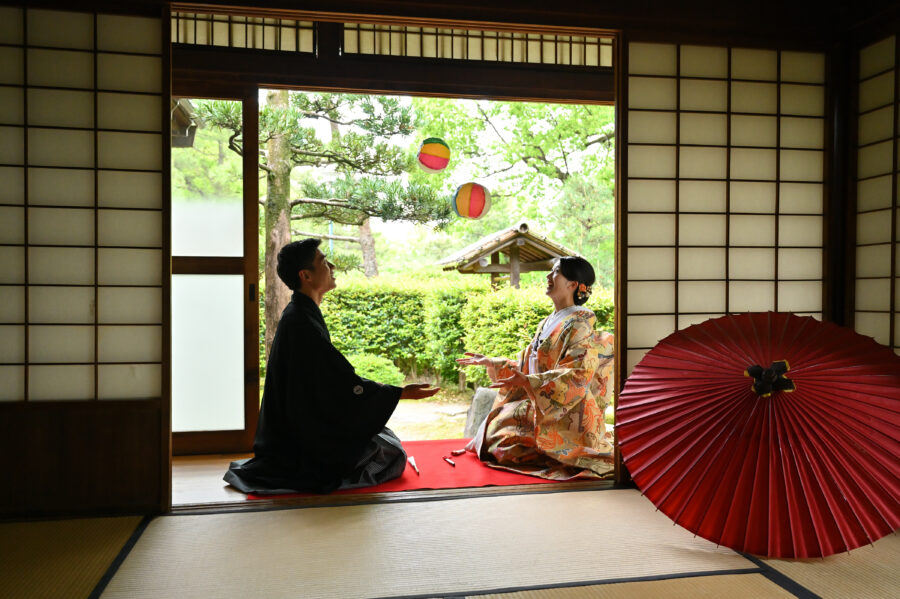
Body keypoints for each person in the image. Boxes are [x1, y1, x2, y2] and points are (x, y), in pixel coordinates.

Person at [225, 238, 439, 494]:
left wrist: (388, 394)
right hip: (301, 442)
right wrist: (400, 393)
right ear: (306, 275)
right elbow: (341, 384)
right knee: (391, 453)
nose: (332, 266)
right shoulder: (299, 322)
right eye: (324, 261)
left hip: (301, 428)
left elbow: (331, 380)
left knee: (385, 440)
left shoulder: (301, 313)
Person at [457, 256, 614, 480]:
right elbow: (527, 365)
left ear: (572, 284)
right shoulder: (550, 321)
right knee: (498, 430)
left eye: (556, 272)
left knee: (501, 437)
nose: (549, 277)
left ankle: (557, 451)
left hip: (565, 412)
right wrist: (494, 362)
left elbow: (579, 373)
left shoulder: (580, 323)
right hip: (540, 399)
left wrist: (530, 382)